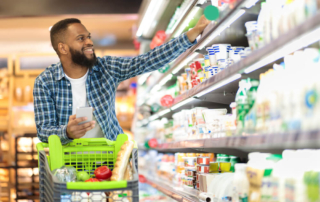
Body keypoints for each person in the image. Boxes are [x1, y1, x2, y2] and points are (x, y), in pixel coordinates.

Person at [33, 16, 210, 144]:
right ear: (62, 48)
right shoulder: (45, 82)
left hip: (109, 158)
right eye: (81, 38)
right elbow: (44, 131)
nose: (89, 42)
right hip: (69, 162)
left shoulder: (106, 68)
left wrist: (190, 35)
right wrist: (67, 132)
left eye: (89, 37)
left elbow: (147, 61)